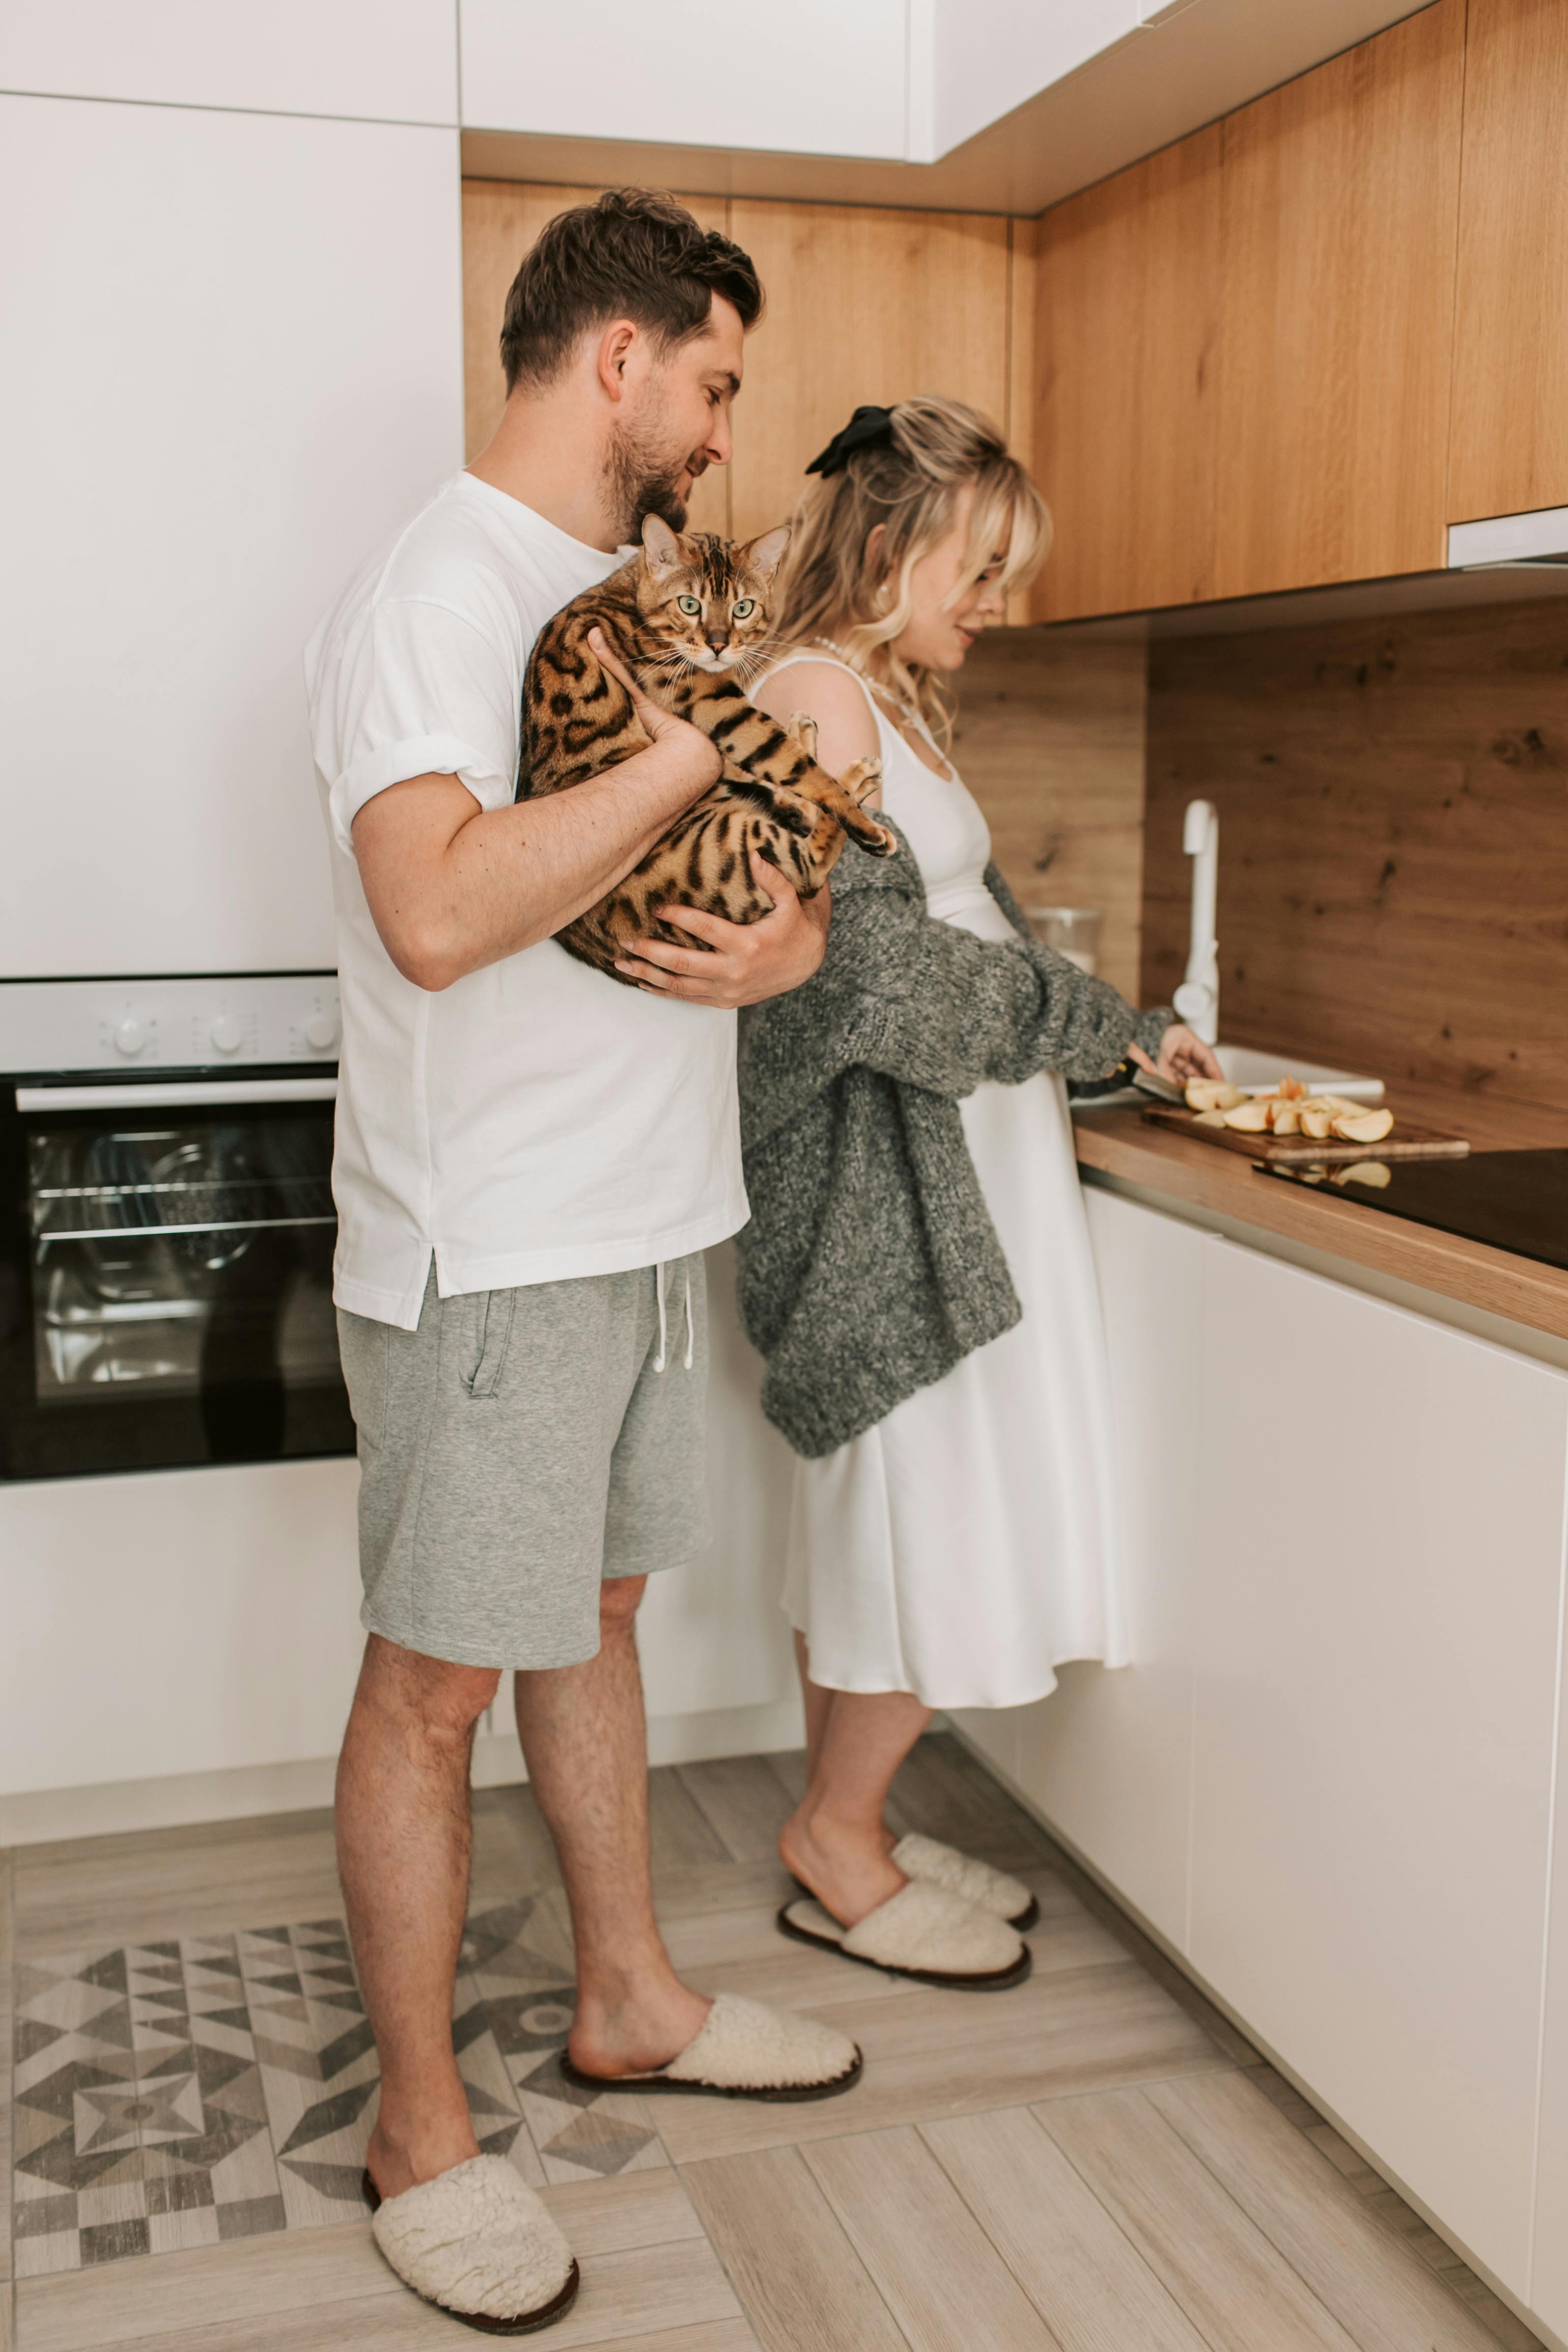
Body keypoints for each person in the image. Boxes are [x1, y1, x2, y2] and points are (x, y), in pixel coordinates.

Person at [304, 189, 860, 2338]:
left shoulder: (630, 593)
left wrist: (794, 928)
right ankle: (421, 2127)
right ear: (614, 358)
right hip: (494, 1242)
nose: (726, 431)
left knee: (602, 1614)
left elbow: (728, 880)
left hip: (642, 1216)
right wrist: (698, 747)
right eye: (712, 382)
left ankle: (625, 1993)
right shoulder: (438, 590)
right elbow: (437, 909)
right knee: (434, 1684)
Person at [732, 395, 1223, 1990]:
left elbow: (973, 948)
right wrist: (1110, 1031)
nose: (999, 601)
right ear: (889, 545)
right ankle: (839, 1839)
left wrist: (1117, 1039)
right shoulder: (815, 703)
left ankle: (838, 1816)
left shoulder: (880, 698)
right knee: (914, 1508)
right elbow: (869, 979)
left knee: (885, 1508)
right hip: (892, 1180)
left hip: (951, 1160)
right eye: (982, 564)